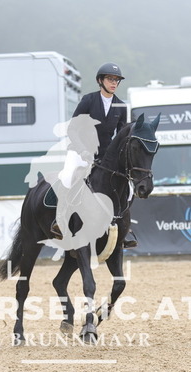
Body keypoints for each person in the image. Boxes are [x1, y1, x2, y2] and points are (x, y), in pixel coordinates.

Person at [51, 62, 138, 248]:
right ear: (100, 80)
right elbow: (72, 129)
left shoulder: (121, 106)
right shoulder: (88, 100)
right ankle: (60, 221)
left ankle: (124, 227)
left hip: (105, 156)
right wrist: (82, 149)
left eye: (116, 80)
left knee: (129, 189)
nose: (114, 83)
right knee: (67, 176)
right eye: (110, 79)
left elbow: (122, 137)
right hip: (79, 150)